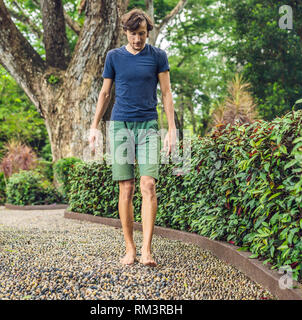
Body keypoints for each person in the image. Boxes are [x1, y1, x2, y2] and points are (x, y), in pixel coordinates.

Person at [88, 8, 177, 267]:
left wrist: (171, 129)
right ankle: (130, 248)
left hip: (149, 125)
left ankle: (147, 249)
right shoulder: (113, 57)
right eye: (132, 33)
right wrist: (94, 127)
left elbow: (167, 93)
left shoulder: (158, 56)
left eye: (141, 34)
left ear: (148, 32)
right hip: (120, 126)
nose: (137, 39)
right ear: (125, 32)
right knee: (126, 187)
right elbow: (104, 94)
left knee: (148, 184)